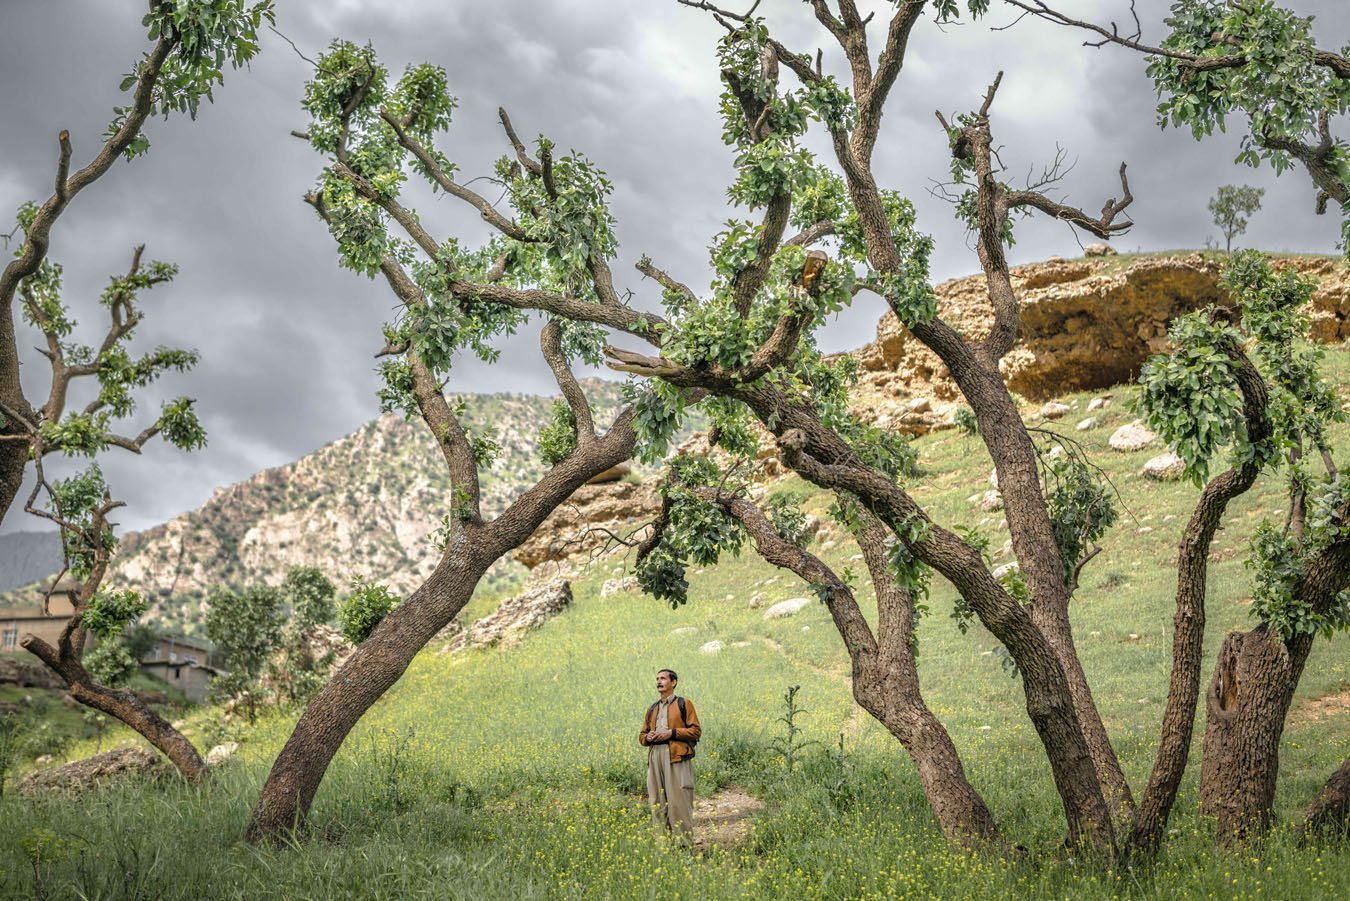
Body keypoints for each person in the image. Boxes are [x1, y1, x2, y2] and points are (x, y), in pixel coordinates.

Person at [638, 667, 701, 845]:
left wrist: (671, 733)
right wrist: (648, 737)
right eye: (657, 678)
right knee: (657, 802)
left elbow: (695, 731)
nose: (659, 681)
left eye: (663, 678)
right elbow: (642, 736)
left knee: (678, 802)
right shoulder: (652, 708)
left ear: (673, 683)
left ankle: (684, 846)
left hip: (676, 756)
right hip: (655, 756)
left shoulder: (684, 704)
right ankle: (663, 846)